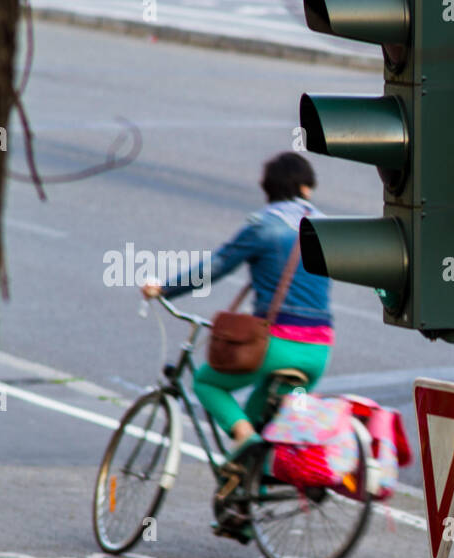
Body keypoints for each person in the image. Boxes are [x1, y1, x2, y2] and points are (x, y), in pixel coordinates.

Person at [141, 153, 334, 462]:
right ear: (306, 189)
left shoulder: (263, 227)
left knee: (206, 382)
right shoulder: (328, 228)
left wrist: (164, 288)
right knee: (266, 427)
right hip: (318, 352)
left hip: (275, 346)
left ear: (269, 189)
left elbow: (215, 267)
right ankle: (252, 496)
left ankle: (244, 435)